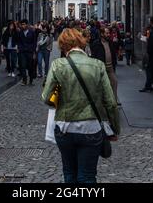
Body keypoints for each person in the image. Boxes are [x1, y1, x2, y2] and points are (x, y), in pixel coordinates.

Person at [42, 28, 120, 184]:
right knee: (88, 176)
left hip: (65, 127)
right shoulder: (97, 65)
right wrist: (115, 129)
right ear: (82, 43)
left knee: (69, 173)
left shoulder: (58, 65)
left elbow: (45, 98)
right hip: (91, 127)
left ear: (63, 46)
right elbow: (111, 102)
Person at [90, 27, 119, 104]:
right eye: (106, 33)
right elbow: (94, 56)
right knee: (102, 86)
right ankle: (102, 102)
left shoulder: (110, 42)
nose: (108, 35)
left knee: (114, 82)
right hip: (101, 68)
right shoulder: (97, 43)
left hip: (110, 67)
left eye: (109, 33)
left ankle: (114, 102)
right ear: (102, 34)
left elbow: (113, 52)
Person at [139, 18, 153, 92]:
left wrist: (149, 51)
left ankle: (148, 86)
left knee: (149, 69)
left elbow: (152, 42)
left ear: (151, 22)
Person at [17, 19, 37, 86]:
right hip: (22, 52)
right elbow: (19, 41)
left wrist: (34, 52)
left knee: (30, 66)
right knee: (23, 66)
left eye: (24, 24)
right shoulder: (20, 32)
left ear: (27, 25)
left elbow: (34, 42)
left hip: (30, 51)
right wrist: (19, 48)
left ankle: (31, 80)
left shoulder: (32, 32)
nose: (23, 26)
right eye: (22, 24)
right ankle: (24, 80)